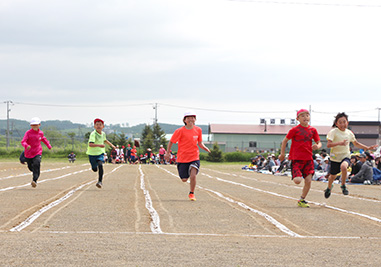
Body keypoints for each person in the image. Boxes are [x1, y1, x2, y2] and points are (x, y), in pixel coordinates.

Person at [324, 112, 378, 198]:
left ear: (347, 122)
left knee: (344, 167)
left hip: (345, 156)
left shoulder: (349, 133)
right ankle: (329, 188)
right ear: (336, 124)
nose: (342, 124)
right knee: (332, 176)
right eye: (340, 122)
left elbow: (356, 143)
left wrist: (367, 147)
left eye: (344, 122)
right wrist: (340, 143)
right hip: (335, 158)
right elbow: (328, 145)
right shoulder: (333, 132)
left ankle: (343, 185)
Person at [279, 109, 321, 208]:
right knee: (297, 180)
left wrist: (317, 146)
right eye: (302, 116)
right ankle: (295, 173)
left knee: (309, 181)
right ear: (298, 119)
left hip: (308, 159)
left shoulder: (313, 130)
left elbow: (319, 142)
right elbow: (285, 141)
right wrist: (282, 154)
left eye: (307, 115)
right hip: (297, 159)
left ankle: (302, 199)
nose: (305, 117)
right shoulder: (294, 130)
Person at [165, 110, 211, 201]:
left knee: (193, 175)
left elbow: (200, 143)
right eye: (189, 118)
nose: (191, 119)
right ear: (185, 120)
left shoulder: (198, 130)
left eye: (193, 118)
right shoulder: (179, 131)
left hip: (194, 156)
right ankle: (187, 171)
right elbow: (171, 142)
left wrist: (205, 148)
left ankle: (191, 193)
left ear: (195, 120)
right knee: (184, 179)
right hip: (182, 158)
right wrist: (168, 153)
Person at [21, 117, 52, 188]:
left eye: (36, 125)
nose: (34, 126)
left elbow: (43, 139)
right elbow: (23, 141)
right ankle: (35, 172)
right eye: (33, 125)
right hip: (28, 154)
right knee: (31, 167)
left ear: (39, 125)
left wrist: (48, 145)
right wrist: (26, 145)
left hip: (37, 152)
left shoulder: (41, 133)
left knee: (37, 163)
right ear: (31, 126)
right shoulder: (28, 133)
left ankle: (34, 180)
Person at [86, 118, 116, 188]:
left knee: (100, 164)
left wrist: (112, 145)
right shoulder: (93, 134)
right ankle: (94, 166)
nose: (98, 126)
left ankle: (100, 181)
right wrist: (100, 145)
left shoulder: (103, 134)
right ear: (94, 126)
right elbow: (90, 144)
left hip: (100, 153)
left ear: (103, 126)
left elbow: (105, 140)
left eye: (100, 125)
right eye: (97, 125)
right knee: (94, 169)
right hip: (92, 154)